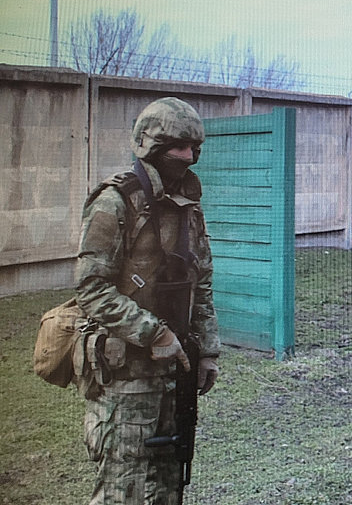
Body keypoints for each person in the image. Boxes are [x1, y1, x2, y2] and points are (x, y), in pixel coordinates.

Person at [75, 97, 221, 504]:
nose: (189, 156)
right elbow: (91, 288)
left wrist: (207, 350)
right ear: (150, 145)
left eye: (195, 148)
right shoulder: (114, 201)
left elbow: (201, 282)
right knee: (125, 488)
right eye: (179, 146)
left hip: (177, 370)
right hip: (127, 375)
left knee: (168, 485)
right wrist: (154, 333)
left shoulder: (189, 207)